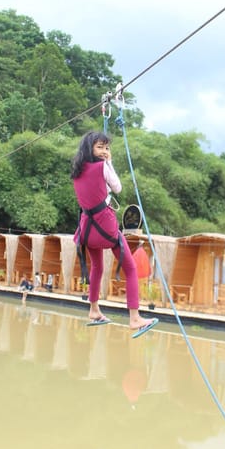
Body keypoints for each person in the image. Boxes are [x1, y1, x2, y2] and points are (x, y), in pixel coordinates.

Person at [71, 131, 158, 338]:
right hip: (106, 228)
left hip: (87, 230)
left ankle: (94, 310)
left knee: (98, 267)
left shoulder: (76, 172)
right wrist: (110, 163)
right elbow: (117, 188)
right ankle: (135, 318)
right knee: (130, 269)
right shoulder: (102, 167)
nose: (104, 152)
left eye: (107, 148)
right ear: (89, 148)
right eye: (100, 147)